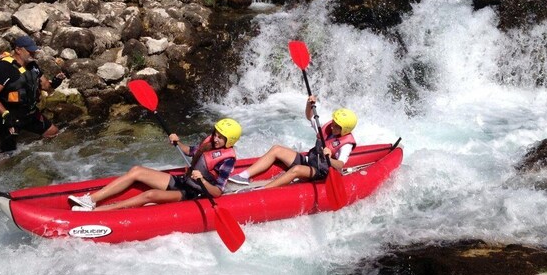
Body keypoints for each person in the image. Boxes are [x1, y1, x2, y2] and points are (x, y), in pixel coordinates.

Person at [68, 118, 242, 211]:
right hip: (184, 181)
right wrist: (177, 142)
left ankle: (101, 212)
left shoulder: (227, 160)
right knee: (137, 171)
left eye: (220, 137)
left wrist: (202, 180)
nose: (216, 138)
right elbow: (191, 151)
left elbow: (218, 192)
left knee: (150, 195)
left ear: (230, 140)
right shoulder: (209, 142)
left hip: (195, 193)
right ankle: (90, 200)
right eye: (216, 134)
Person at [228, 96, 357, 189]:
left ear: (344, 130)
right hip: (310, 160)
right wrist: (309, 104)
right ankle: (243, 176)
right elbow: (309, 116)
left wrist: (329, 157)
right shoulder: (328, 127)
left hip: (322, 172)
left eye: (337, 126)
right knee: (276, 149)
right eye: (334, 123)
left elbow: (339, 165)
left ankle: (264, 190)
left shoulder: (346, 145)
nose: (333, 126)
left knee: (296, 169)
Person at [0, 35, 65, 153]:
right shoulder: (4, 68)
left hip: (29, 113)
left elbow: (45, 86)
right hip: (9, 116)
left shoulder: (33, 66)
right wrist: (5, 115)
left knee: (53, 132)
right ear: (18, 50)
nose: (33, 53)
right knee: (7, 155)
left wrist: (56, 82)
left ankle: (40, 155)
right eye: (30, 50)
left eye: (34, 50)